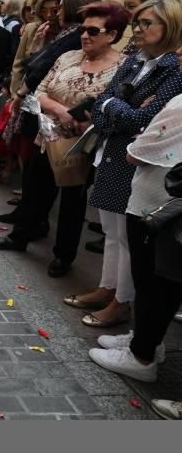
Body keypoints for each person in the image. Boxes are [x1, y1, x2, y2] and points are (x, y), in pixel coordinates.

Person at [0, 1, 129, 278]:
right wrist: (62, 111)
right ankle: (19, 237)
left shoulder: (123, 67)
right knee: (34, 191)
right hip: (46, 136)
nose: (85, 35)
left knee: (72, 205)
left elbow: (113, 104)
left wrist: (81, 118)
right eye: (84, 29)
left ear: (112, 35)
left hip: (81, 145)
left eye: (93, 30)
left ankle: (63, 256)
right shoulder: (68, 57)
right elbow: (39, 91)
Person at [66, 0, 182, 327]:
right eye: (138, 23)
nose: (139, 29)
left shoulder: (172, 68)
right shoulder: (134, 61)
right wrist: (116, 107)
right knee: (111, 231)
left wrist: (114, 107)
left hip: (137, 161)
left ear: (169, 26)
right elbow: (102, 103)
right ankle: (107, 287)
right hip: (112, 152)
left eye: (147, 23)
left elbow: (145, 119)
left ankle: (122, 302)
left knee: (129, 237)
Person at [87, 96, 182, 385]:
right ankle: (147, 342)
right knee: (157, 284)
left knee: (153, 282)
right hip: (161, 203)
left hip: (157, 206)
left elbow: (137, 152)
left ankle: (141, 356)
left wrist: (139, 134)